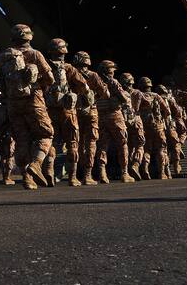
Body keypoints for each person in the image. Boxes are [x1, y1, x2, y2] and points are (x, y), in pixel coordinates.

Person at [0, 25, 54, 190]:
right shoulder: (35, 54)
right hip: (34, 101)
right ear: (29, 37)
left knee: (22, 139)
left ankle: (26, 178)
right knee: (46, 134)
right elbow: (50, 78)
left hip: (13, 103)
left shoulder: (3, 57)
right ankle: (35, 165)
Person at [44, 38, 88, 186]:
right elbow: (83, 86)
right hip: (67, 111)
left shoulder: (44, 66)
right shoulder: (69, 68)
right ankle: (72, 177)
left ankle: (49, 172)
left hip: (49, 110)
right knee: (72, 143)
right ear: (64, 51)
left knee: (51, 142)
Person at [72, 52, 109, 184]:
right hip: (91, 112)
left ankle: (74, 175)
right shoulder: (93, 75)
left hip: (74, 111)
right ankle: (88, 175)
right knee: (91, 142)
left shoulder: (71, 72)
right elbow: (105, 93)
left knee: (76, 143)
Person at [94, 60, 133, 183]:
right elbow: (124, 98)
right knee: (122, 144)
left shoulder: (94, 82)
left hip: (100, 116)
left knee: (102, 145)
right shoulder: (113, 82)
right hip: (114, 116)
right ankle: (124, 173)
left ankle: (102, 173)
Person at [139, 77, 170, 179]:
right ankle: (162, 173)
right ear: (150, 86)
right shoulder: (156, 96)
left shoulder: (139, 95)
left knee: (146, 149)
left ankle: (145, 170)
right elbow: (167, 110)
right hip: (157, 126)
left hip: (144, 126)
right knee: (161, 149)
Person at [120, 72, 147, 180]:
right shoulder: (138, 93)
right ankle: (135, 164)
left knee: (128, 145)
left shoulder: (120, 93)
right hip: (136, 119)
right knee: (140, 144)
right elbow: (147, 104)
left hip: (125, 121)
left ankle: (127, 169)